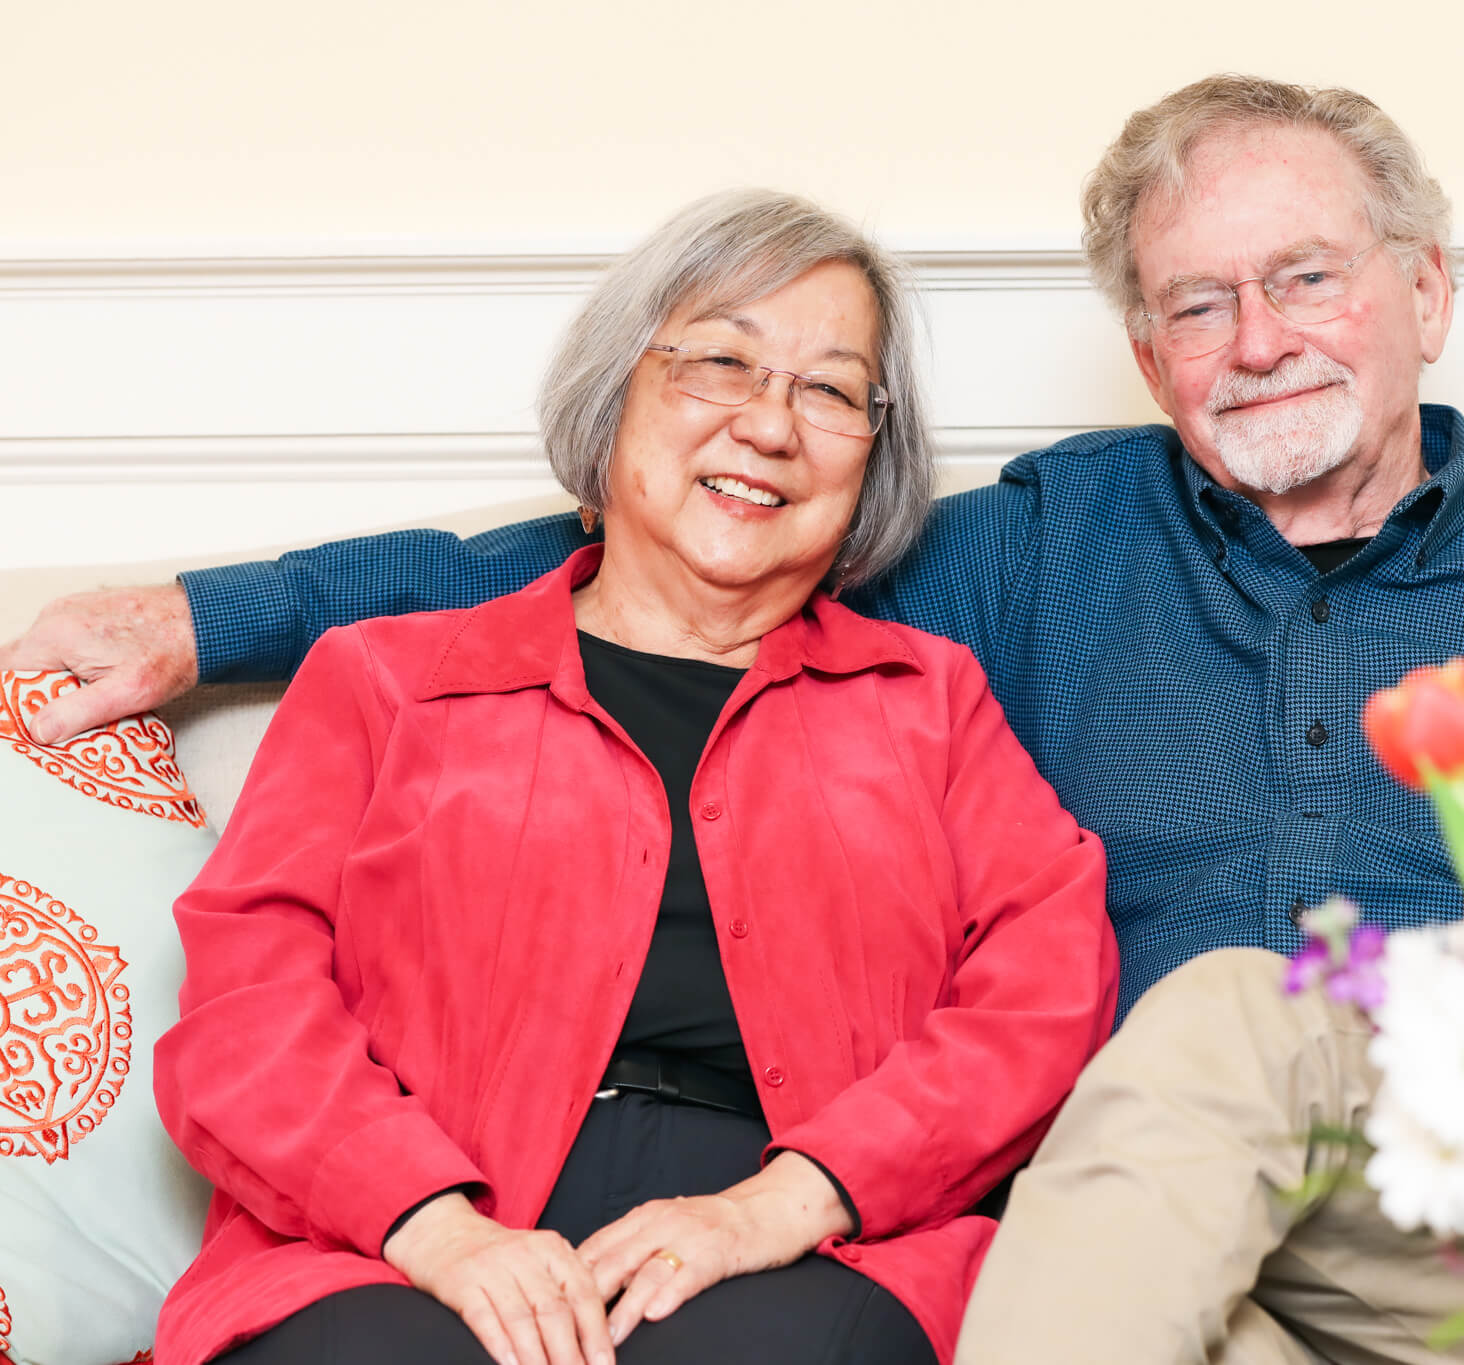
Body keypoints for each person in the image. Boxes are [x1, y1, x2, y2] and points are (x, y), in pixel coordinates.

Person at [10, 77, 1464, 1359]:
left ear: (1422, 294)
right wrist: (208, 614)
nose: (1255, 340)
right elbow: (630, 545)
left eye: (1305, 277)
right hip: (1140, 1258)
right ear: (1147, 357)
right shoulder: (1037, 554)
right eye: (1193, 304)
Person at [146, 189, 1117, 1365]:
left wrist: (780, 1207)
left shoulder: (931, 702)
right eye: (721, 362)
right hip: (401, 1236)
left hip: (799, 1243)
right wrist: (444, 1236)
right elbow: (250, 1012)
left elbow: (1043, 990)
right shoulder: (382, 684)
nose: (769, 426)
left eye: (827, 390)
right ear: (616, 402)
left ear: (872, 455)